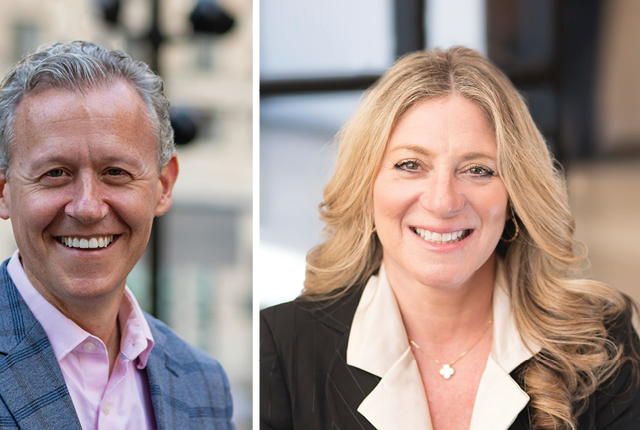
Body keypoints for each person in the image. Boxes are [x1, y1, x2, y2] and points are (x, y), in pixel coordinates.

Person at [260, 47, 640, 430]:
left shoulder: (601, 343)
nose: (443, 201)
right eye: (410, 165)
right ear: (366, 187)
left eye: (478, 170)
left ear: (514, 199)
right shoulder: (280, 347)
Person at [0, 41, 234, 430]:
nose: (88, 207)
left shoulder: (204, 385)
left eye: (115, 172)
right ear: (0, 188)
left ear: (163, 186)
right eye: (55, 173)